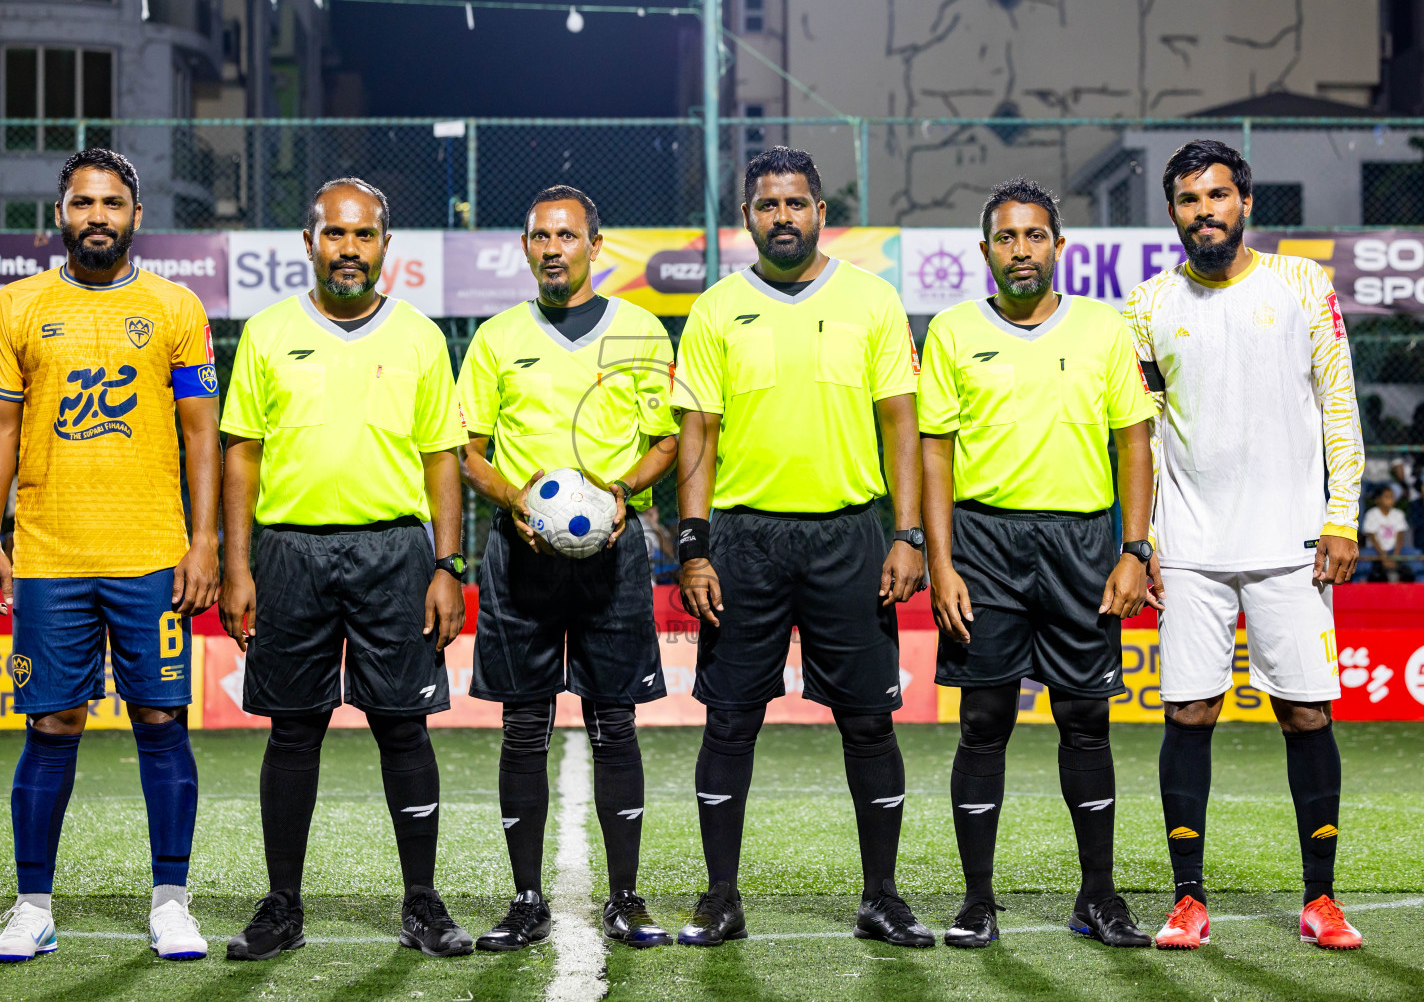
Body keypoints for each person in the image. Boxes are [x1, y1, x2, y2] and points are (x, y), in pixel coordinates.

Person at [673, 146, 928, 947]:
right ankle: (721, 897)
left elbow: (901, 427)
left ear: (821, 211)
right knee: (729, 720)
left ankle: (881, 896)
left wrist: (908, 533)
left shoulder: (872, 300)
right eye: (766, 205)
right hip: (745, 540)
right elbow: (698, 436)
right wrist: (693, 546)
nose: (782, 216)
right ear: (747, 217)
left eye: (795, 203)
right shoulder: (716, 308)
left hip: (849, 534)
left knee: (868, 723)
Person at [0, 148, 220, 964]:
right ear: (60, 214)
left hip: (152, 553)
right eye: (83, 202)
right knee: (52, 724)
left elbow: (200, 435)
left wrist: (204, 540)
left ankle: (172, 901)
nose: (98, 217)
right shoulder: (17, 306)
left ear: (137, 217)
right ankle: (32, 907)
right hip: (48, 555)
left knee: (160, 720)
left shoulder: (177, 309)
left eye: (113, 203)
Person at [218, 177, 473, 961]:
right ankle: (282, 908)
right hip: (290, 551)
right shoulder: (265, 333)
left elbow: (443, 461)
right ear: (309, 242)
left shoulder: (422, 338)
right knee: (294, 731)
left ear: (385, 246)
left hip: (395, 552)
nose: (350, 250)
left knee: (404, 727)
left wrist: (448, 564)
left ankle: (423, 904)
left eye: (365, 236)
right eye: (336, 234)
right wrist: (237, 567)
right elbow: (242, 457)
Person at [1124, 140, 1365, 951]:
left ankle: (1321, 901)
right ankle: (1188, 900)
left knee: (1305, 712)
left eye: (1218, 196)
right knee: (1189, 709)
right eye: (1190, 200)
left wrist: (1342, 515)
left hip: (1293, 540)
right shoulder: (1147, 304)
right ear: (1173, 215)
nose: (1205, 212)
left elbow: (1339, 405)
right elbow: (1144, 435)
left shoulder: (1304, 284)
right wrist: (1146, 537)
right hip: (1189, 545)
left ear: (1246, 202)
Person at [919, 179, 1158, 950]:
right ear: (984, 250)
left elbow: (1135, 443)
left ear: (1060, 244)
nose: (1021, 250)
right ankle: (977, 901)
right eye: (1006, 238)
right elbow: (935, 456)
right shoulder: (953, 331)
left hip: (1084, 545)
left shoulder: (1103, 328)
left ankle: (1098, 897)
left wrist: (1136, 549)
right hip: (983, 546)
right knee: (983, 722)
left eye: (1035, 236)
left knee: (1085, 722)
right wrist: (941, 562)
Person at [457, 185, 679, 950]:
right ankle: (525, 900)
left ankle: (625, 898)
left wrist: (624, 491)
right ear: (526, 247)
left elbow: (666, 441)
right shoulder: (496, 338)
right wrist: (513, 495)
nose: (553, 247)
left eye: (567, 235)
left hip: (611, 555)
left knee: (615, 724)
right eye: (540, 236)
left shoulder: (642, 332)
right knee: (524, 728)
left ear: (595, 246)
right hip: (520, 556)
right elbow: (468, 450)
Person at [1361, 486, 1412, 582]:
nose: (1391, 500)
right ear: (1378, 500)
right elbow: (1373, 538)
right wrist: (1384, 556)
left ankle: (1421, 582)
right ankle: (1360, 583)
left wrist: (1395, 556)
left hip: (1395, 549)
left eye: (1392, 497)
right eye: (1387, 497)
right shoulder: (1371, 514)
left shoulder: (1398, 514)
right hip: (1376, 549)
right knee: (1363, 558)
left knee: (1415, 554)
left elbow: (1400, 537)